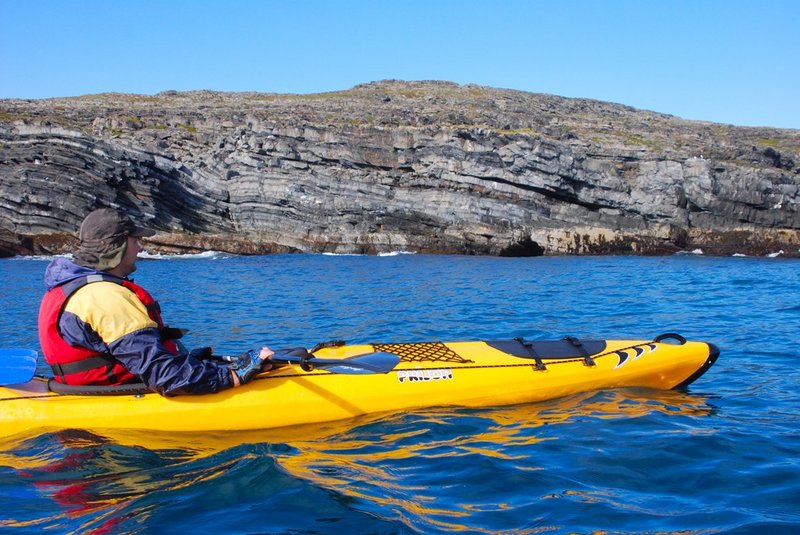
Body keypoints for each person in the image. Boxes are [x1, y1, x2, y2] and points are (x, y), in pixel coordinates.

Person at [38, 208, 273, 395]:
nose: (140, 247)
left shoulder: (72, 288)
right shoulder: (105, 297)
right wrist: (231, 377)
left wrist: (187, 361)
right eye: (135, 240)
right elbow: (163, 375)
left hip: (89, 390)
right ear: (116, 247)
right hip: (116, 397)